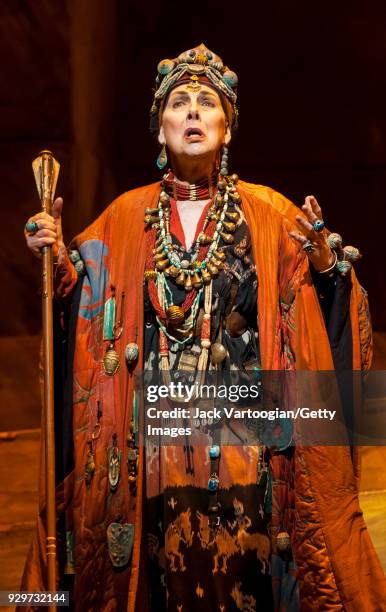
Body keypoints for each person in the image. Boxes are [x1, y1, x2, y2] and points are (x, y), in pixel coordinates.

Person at [22, 44, 385, 611]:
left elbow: (333, 310)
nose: (193, 113)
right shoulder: (123, 216)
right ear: (159, 127)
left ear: (228, 127)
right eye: (179, 103)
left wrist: (327, 268)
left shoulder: (269, 213)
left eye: (207, 103)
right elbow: (81, 306)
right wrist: (58, 266)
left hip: (246, 453)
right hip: (155, 454)